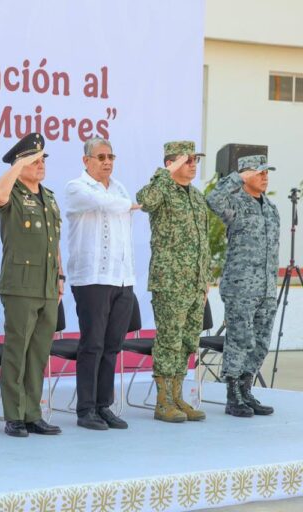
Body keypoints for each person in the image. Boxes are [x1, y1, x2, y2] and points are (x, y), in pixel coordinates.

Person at [0, 132, 62, 438]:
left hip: (47, 286)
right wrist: (18, 167)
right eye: (35, 160)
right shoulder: (13, 193)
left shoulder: (49, 197)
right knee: (16, 351)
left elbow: (53, 241)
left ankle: (33, 413)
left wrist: (59, 277)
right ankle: (13, 415)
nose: (40, 164)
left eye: (42, 159)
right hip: (20, 286)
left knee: (38, 354)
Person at [64, 137, 137, 430]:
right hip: (92, 277)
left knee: (112, 345)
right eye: (101, 157)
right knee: (92, 344)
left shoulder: (119, 188)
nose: (107, 162)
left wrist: (129, 276)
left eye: (111, 157)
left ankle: (103, 405)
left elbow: (123, 218)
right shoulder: (76, 187)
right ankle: (85, 410)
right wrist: (131, 205)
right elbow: (103, 203)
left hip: (122, 277)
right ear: (86, 161)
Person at [136, 140, 210, 423]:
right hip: (170, 282)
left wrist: (204, 280)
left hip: (194, 283)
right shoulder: (162, 191)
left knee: (188, 340)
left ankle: (178, 397)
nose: (193, 165)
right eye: (187, 160)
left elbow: (203, 242)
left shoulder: (196, 197)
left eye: (195, 160)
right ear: (173, 162)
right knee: (169, 340)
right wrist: (166, 172)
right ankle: (163, 402)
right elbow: (145, 200)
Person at [206, 155, 280, 417]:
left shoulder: (271, 208)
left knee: (260, 342)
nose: (265, 176)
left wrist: (273, 285)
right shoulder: (234, 203)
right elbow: (213, 200)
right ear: (246, 175)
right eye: (259, 172)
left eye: (266, 172)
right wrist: (237, 179)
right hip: (241, 287)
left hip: (267, 289)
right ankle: (232, 395)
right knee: (240, 339)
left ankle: (246, 390)